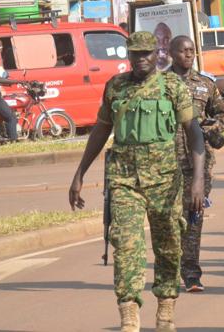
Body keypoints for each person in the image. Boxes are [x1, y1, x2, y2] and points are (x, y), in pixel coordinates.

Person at [68, 31, 206, 332]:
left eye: (146, 53)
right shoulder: (115, 87)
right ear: (128, 55)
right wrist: (79, 174)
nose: (141, 58)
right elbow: (101, 131)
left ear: (157, 54)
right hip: (124, 180)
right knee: (126, 245)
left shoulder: (172, 86)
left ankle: (166, 308)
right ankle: (129, 312)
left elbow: (194, 132)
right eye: (135, 53)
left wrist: (197, 180)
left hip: (164, 181)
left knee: (169, 246)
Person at [168, 36, 224, 293]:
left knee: (193, 219)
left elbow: (223, 115)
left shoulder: (205, 84)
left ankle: (191, 274)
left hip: (198, 164)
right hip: (167, 163)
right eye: (183, 51)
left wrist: (213, 128)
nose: (189, 55)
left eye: (192, 50)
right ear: (172, 53)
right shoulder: (160, 84)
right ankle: (169, 270)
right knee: (169, 220)